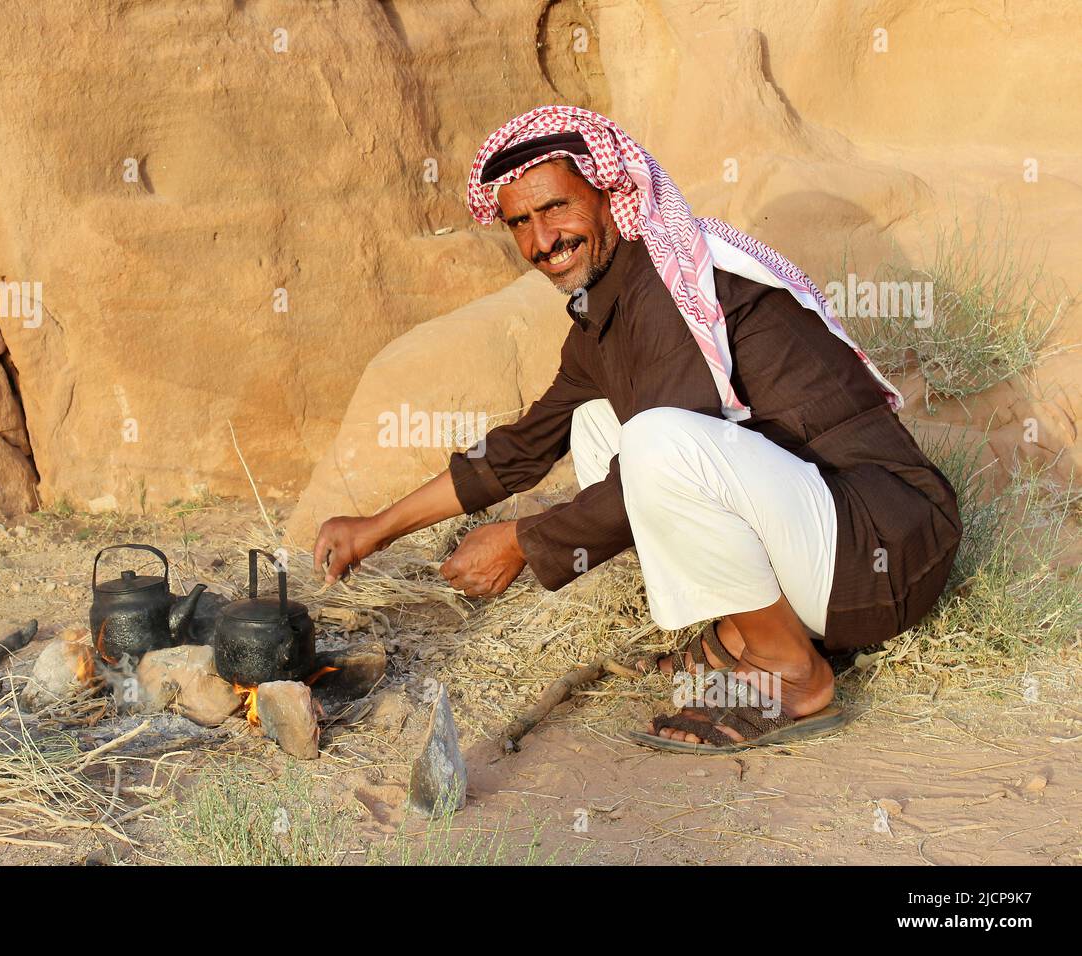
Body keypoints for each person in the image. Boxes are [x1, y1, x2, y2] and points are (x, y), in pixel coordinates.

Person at [313, 107, 961, 752]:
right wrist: (374, 530)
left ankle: (793, 673)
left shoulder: (670, 288)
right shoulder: (607, 309)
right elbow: (519, 452)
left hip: (888, 550)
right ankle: (754, 629)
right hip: (822, 542)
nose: (542, 240)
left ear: (609, 193)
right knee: (596, 423)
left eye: (557, 208)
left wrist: (521, 540)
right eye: (520, 222)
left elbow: (656, 469)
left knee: (655, 443)